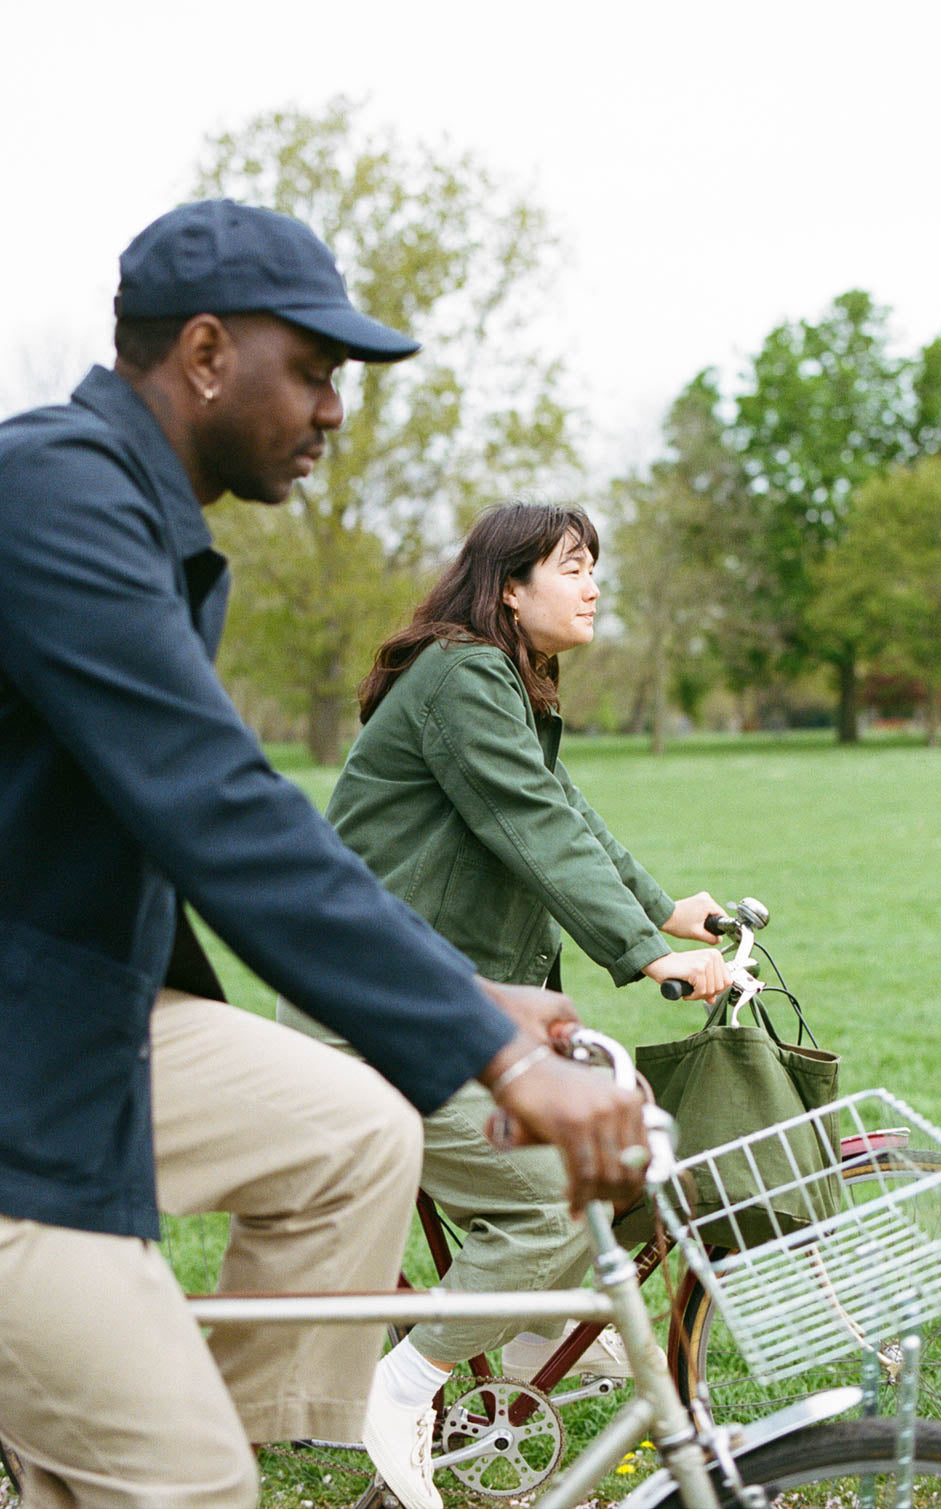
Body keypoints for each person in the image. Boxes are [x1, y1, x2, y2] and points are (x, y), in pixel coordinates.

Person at [0, 201, 651, 1509]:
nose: (336, 410)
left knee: (356, 1130)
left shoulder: (148, 526)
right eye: (312, 370)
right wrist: (502, 1056)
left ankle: (147, 1439)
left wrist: (466, 997)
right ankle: (143, 1453)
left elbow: (247, 822)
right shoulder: (52, 498)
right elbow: (222, 811)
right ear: (200, 354)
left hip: (73, 1011)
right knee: (175, 1483)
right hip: (25, 1070)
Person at [278, 500, 733, 1509]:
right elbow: (531, 825)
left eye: (592, 567)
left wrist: (664, 909)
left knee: (620, 1149)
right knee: (553, 1195)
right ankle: (402, 1387)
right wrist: (640, 956)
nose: (592, 585)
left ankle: (532, 1344)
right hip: (376, 1021)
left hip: (446, 1010)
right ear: (509, 588)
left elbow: (566, 811)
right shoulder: (462, 674)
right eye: (572, 567)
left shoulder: (505, 680)